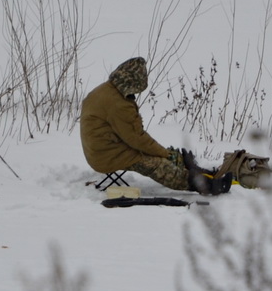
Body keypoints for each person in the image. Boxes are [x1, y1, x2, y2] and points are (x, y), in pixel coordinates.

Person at [80, 57, 232, 195]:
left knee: (157, 152)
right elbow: (137, 138)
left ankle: (191, 168)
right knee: (157, 165)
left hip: (103, 149)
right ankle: (205, 185)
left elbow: (132, 135)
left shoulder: (106, 90)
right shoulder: (118, 104)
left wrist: (162, 152)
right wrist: (163, 154)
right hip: (107, 155)